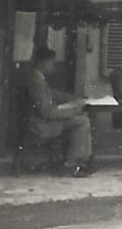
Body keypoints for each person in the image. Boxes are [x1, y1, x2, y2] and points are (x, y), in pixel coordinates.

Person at [13, 47, 95, 177]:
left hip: (41, 121)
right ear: (42, 62)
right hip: (39, 125)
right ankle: (72, 164)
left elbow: (53, 94)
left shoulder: (37, 77)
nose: (53, 65)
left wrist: (75, 99)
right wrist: (72, 111)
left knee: (82, 118)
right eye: (51, 62)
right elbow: (47, 112)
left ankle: (82, 162)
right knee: (82, 121)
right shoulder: (36, 81)